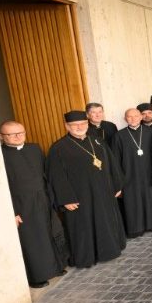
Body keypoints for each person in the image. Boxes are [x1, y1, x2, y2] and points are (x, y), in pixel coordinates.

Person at [47, 111, 126, 268]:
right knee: (83, 227)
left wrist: (117, 185)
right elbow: (56, 177)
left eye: (83, 124)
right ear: (66, 126)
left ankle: (109, 250)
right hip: (80, 197)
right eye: (75, 125)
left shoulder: (97, 141)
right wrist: (66, 199)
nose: (79, 127)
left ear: (87, 124)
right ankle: (87, 257)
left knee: (106, 220)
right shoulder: (58, 148)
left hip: (104, 193)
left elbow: (112, 164)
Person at [1, 121, 67, 288]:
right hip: (22, 205)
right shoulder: (1, 155)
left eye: (21, 132)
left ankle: (56, 267)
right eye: (12, 134)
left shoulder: (34, 148)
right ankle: (37, 276)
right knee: (32, 240)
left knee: (51, 232)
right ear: (1, 137)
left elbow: (46, 174)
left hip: (44, 199)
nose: (18, 137)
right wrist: (11, 213)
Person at [111, 109, 152, 237]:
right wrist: (119, 181)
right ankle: (136, 228)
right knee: (134, 202)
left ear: (141, 117)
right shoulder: (119, 136)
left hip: (150, 173)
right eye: (130, 117)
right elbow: (115, 160)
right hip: (129, 176)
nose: (133, 119)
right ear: (125, 119)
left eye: (136, 116)